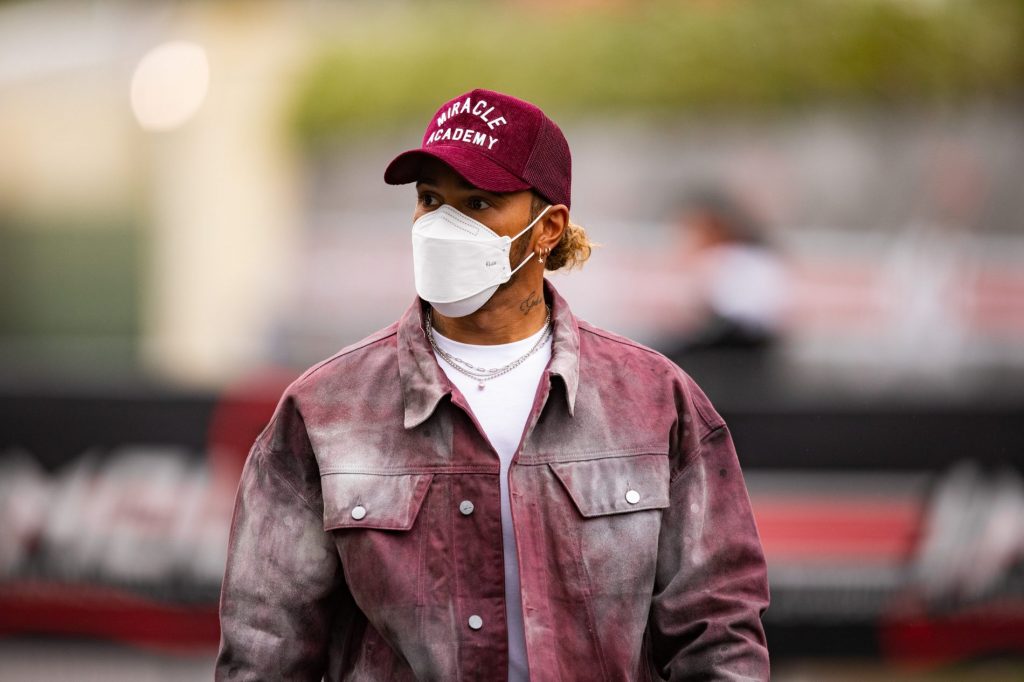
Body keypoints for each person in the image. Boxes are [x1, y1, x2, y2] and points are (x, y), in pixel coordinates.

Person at [216, 88, 769, 681]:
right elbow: (264, 647)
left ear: (547, 228)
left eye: (477, 203)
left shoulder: (655, 399)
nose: (442, 225)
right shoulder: (326, 408)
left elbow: (718, 632)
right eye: (430, 199)